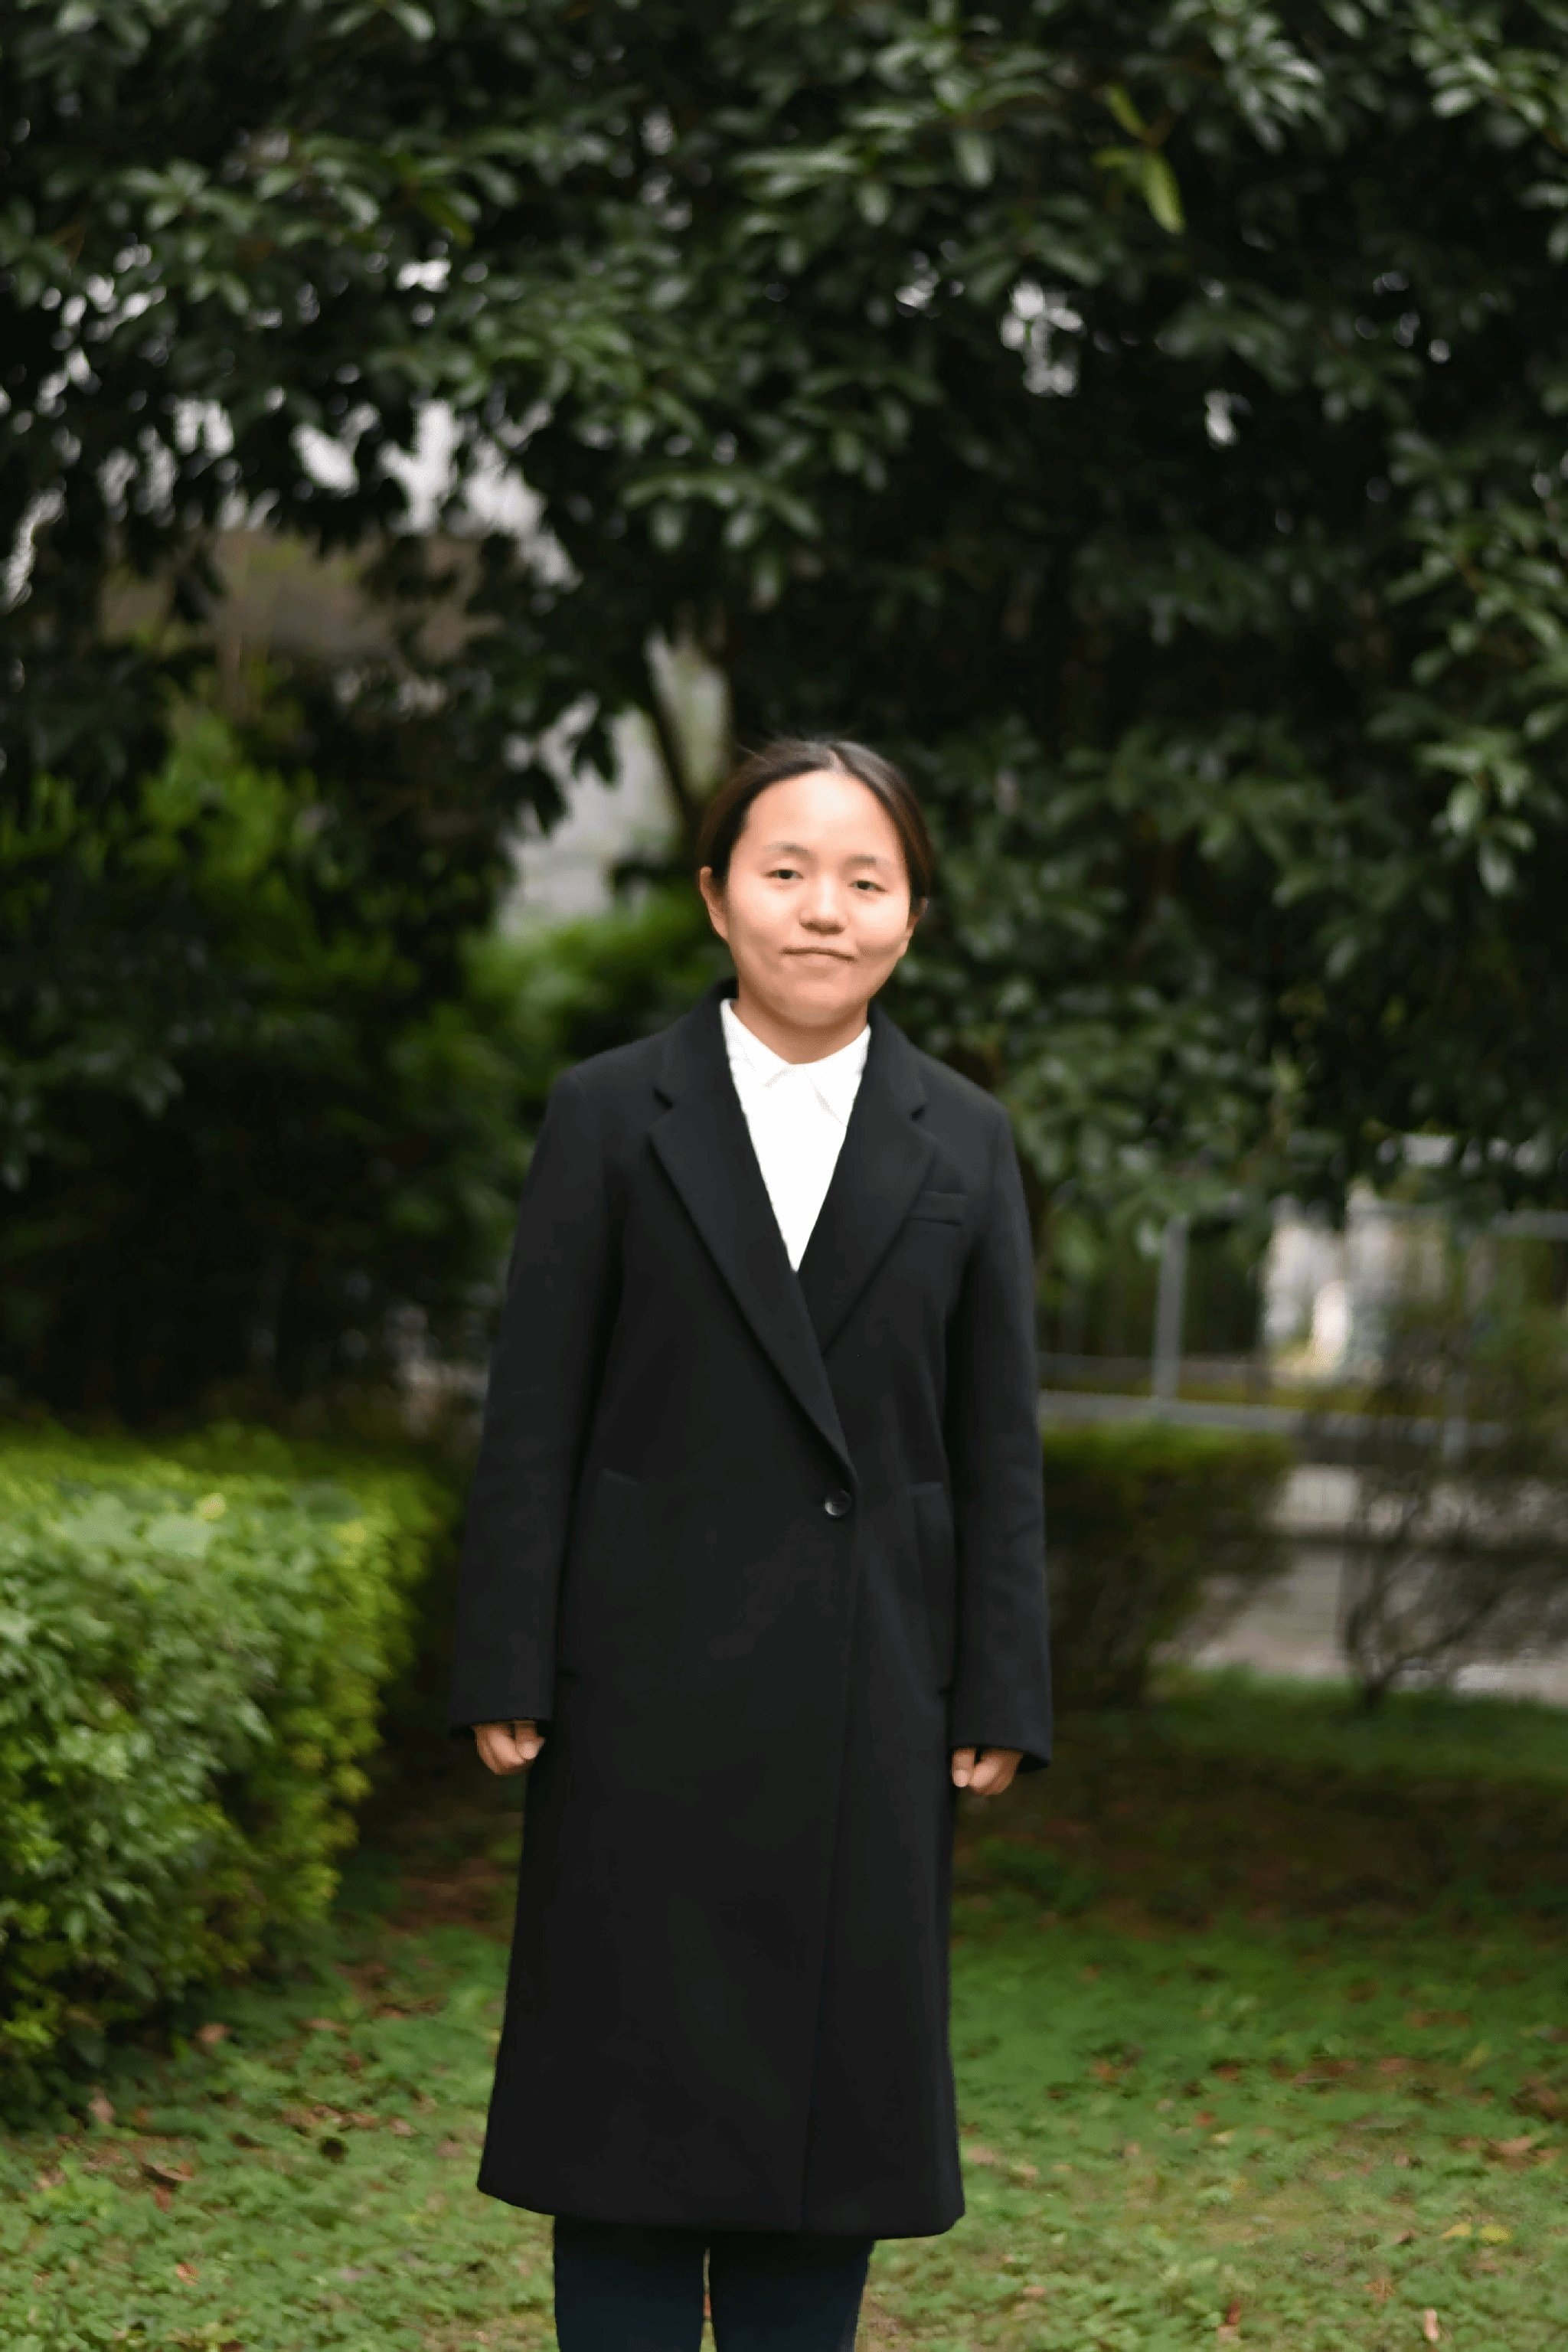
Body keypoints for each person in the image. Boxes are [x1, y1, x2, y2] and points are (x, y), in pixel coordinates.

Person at [449, 738, 1052, 2352]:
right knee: (622, 2125)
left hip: (871, 1695)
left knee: (825, 2141)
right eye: (786, 872)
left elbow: (995, 1444)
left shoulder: (965, 1139)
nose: (823, 909)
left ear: (912, 917)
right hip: (635, 1688)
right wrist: (506, 1655)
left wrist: (1001, 1682)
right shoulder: (607, 1113)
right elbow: (534, 1414)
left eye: (865, 880)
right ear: (717, 896)